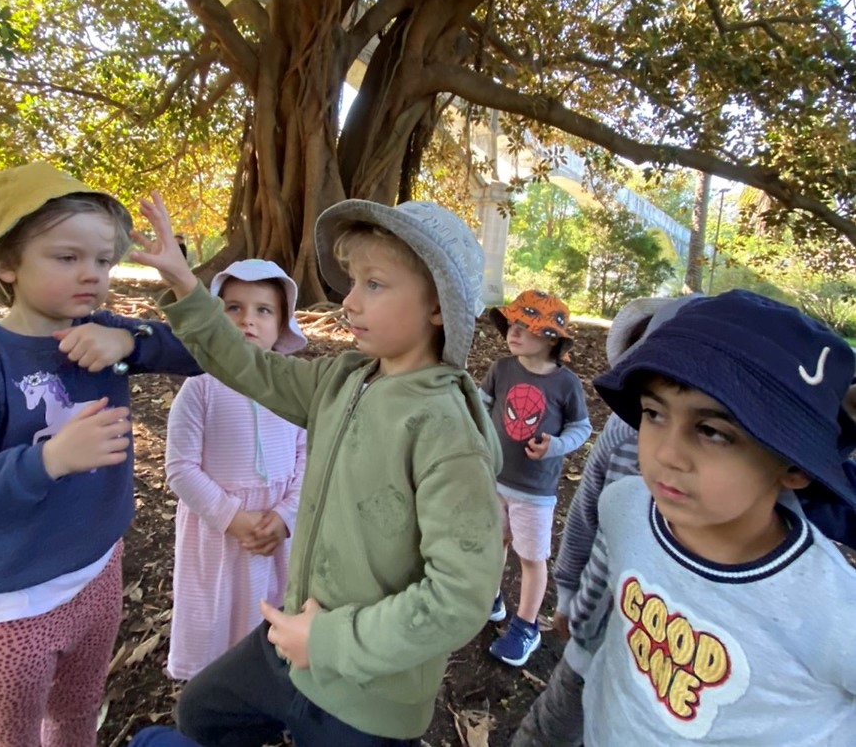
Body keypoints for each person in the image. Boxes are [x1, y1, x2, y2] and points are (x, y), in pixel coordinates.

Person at [129, 191, 504, 747]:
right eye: (352, 282)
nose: (348, 303)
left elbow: (460, 597)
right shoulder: (345, 379)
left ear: (436, 306)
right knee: (203, 714)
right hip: (290, 637)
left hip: (366, 689)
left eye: (373, 285)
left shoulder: (446, 431)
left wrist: (328, 642)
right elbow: (249, 368)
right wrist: (186, 285)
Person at [0, 161, 201, 747]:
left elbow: (202, 352)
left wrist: (133, 338)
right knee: (6, 735)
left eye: (102, 261)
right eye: (66, 258)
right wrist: (48, 460)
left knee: (76, 715)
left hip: (98, 572)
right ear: (7, 265)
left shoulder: (103, 331)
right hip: (11, 604)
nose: (91, 275)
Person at [570, 290, 856, 745]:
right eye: (654, 413)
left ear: (795, 467)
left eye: (712, 431)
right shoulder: (625, 506)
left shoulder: (836, 613)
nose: (666, 453)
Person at [510, 294, 699, 747]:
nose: (668, 448)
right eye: (653, 411)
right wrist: (571, 592)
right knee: (553, 728)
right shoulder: (620, 433)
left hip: (674, 663)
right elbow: (586, 515)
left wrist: (554, 446)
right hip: (592, 633)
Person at [165, 258, 308, 680]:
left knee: (270, 611)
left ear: (282, 323)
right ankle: (213, 688)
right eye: (234, 308)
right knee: (217, 611)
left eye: (263, 310)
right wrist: (232, 518)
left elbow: (307, 457)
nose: (248, 320)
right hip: (219, 531)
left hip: (276, 531)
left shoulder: (295, 385)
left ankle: (263, 688)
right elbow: (180, 467)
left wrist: (285, 516)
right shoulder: (200, 388)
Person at [480, 291, 591, 667]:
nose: (514, 332)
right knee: (495, 542)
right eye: (512, 324)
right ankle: (490, 599)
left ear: (550, 339)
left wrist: (556, 445)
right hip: (495, 479)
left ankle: (526, 625)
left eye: (526, 327)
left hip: (534, 491)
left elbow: (582, 428)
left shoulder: (566, 384)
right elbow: (483, 407)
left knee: (531, 557)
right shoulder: (501, 369)